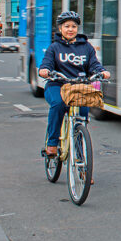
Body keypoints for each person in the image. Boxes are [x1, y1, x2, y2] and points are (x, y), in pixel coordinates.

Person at [38, 11, 110, 157]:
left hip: (78, 87)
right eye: (66, 26)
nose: (70, 29)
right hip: (57, 85)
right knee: (58, 104)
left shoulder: (86, 47)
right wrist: (45, 70)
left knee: (82, 115)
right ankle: (52, 144)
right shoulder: (54, 47)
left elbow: (94, 64)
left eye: (74, 26)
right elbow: (46, 64)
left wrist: (101, 71)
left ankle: (80, 162)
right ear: (60, 29)